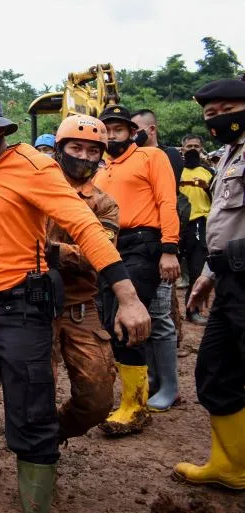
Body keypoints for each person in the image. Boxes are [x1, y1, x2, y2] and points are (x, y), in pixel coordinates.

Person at [0, 90, 151, 513]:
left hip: (19, 309)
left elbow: (86, 227)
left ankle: (36, 506)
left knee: (32, 414)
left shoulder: (34, 168)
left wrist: (127, 295)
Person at [173, 78, 245, 491]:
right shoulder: (229, 158)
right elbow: (224, 226)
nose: (217, 120)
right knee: (214, 370)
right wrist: (206, 276)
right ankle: (231, 465)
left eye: (226, 111)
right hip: (228, 276)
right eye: (210, 115)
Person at [93, 105, 180, 429]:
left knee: (127, 318)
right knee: (107, 317)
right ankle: (132, 397)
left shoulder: (150, 157)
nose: (112, 134)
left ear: (132, 131)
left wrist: (169, 249)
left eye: (118, 129)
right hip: (110, 246)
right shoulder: (102, 170)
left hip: (144, 242)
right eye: (107, 129)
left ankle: (135, 406)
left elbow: (166, 201)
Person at [44, 115, 121, 443]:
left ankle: (53, 432)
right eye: (77, 147)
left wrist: (51, 252)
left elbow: (97, 254)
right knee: (37, 388)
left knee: (97, 399)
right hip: (35, 303)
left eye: (94, 150)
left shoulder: (105, 205)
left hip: (79, 305)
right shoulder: (36, 188)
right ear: (60, 149)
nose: (85, 156)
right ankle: (40, 452)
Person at [178, 134, 215, 325]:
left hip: (200, 225)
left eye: (196, 146)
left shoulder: (210, 172)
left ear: (201, 149)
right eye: (188, 146)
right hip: (178, 225)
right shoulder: (175, 171)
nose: (192, 149)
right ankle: (169, 316)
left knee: (196, 270)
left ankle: (192, 310)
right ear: (182, 149)